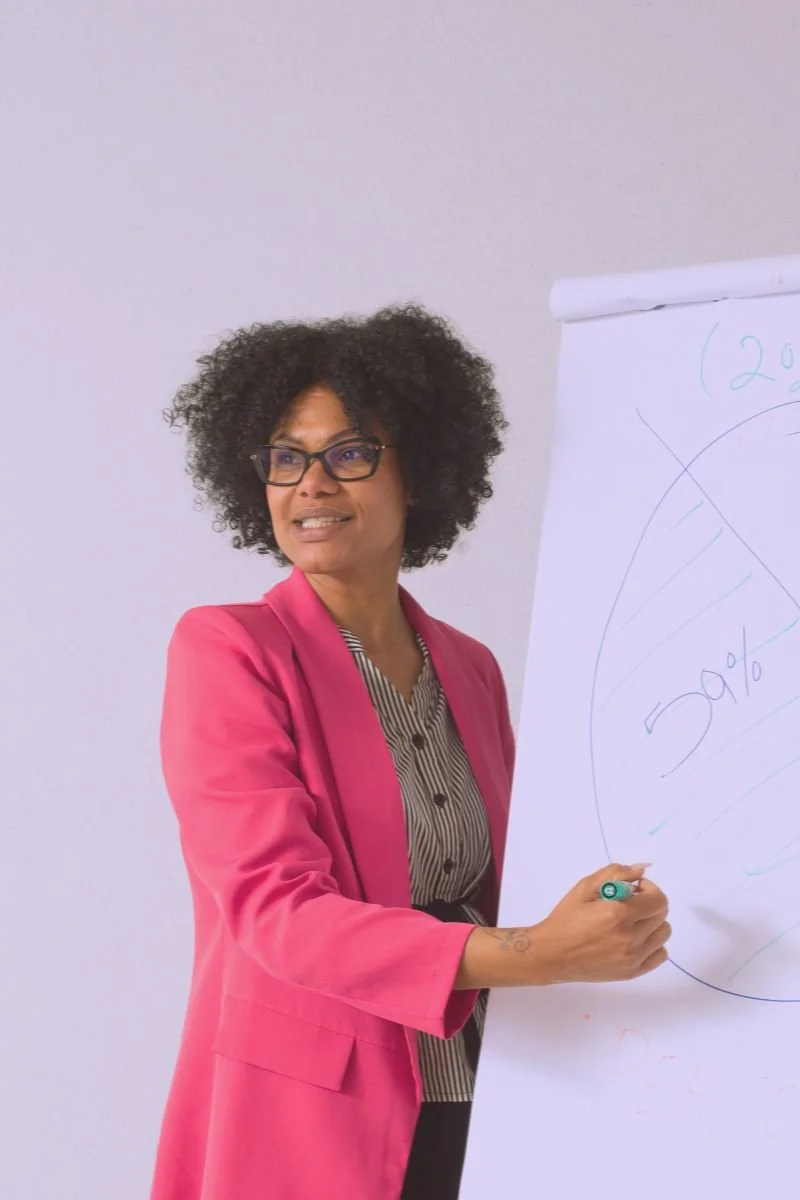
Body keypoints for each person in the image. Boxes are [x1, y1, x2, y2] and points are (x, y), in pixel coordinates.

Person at [149, 305, 671, 1200]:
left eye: (349, 453)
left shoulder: (470, 668)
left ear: (419, 473)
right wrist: (539, 951)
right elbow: (277, 914)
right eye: (285, 457)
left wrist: (608, 902)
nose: (311, 484)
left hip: (496, 1090)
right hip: (312, 1113)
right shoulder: (227, 651)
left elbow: (501, 877)